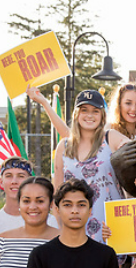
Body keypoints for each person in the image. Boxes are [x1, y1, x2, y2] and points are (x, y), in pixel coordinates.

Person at [52, 89, 129, 242]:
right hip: (75, 226)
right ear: (76, 114)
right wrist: (60, 228)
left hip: (110, 227)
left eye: (95, 111)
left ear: (102, 116)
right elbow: (57, 192)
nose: (89, 115)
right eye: (84, 110)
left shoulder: (110, 138)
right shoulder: (64, 146)